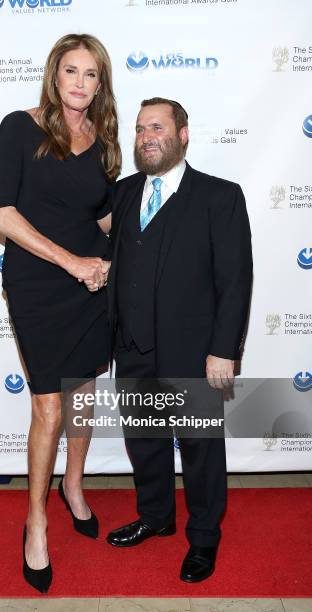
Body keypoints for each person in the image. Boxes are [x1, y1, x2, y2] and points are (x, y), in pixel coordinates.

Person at [0, 33, 120, 593]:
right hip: (40, 283)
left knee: (85, 391)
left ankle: (73, 486)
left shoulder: (104, 140)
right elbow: (1, 216)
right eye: (71, 70)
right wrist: (71, 262)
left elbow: (106, 220)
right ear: (54, 73)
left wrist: (116, 262)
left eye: (91, 74)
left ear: (100, 84)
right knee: (48, 407)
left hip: (92, 287)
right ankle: (36, 521)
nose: (80, 83)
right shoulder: (21, 127)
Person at [105, 97, 253, 582]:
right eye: (141, 128)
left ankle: (205, 538)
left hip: (195, 353)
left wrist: (224, 350)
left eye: (158, 127)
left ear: (183, 134)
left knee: (199, 450)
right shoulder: (124, 193)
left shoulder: (219, 196)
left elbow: (235, 281)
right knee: (144, 441)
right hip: (133, 348)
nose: (147, 136)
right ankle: (156, 516)